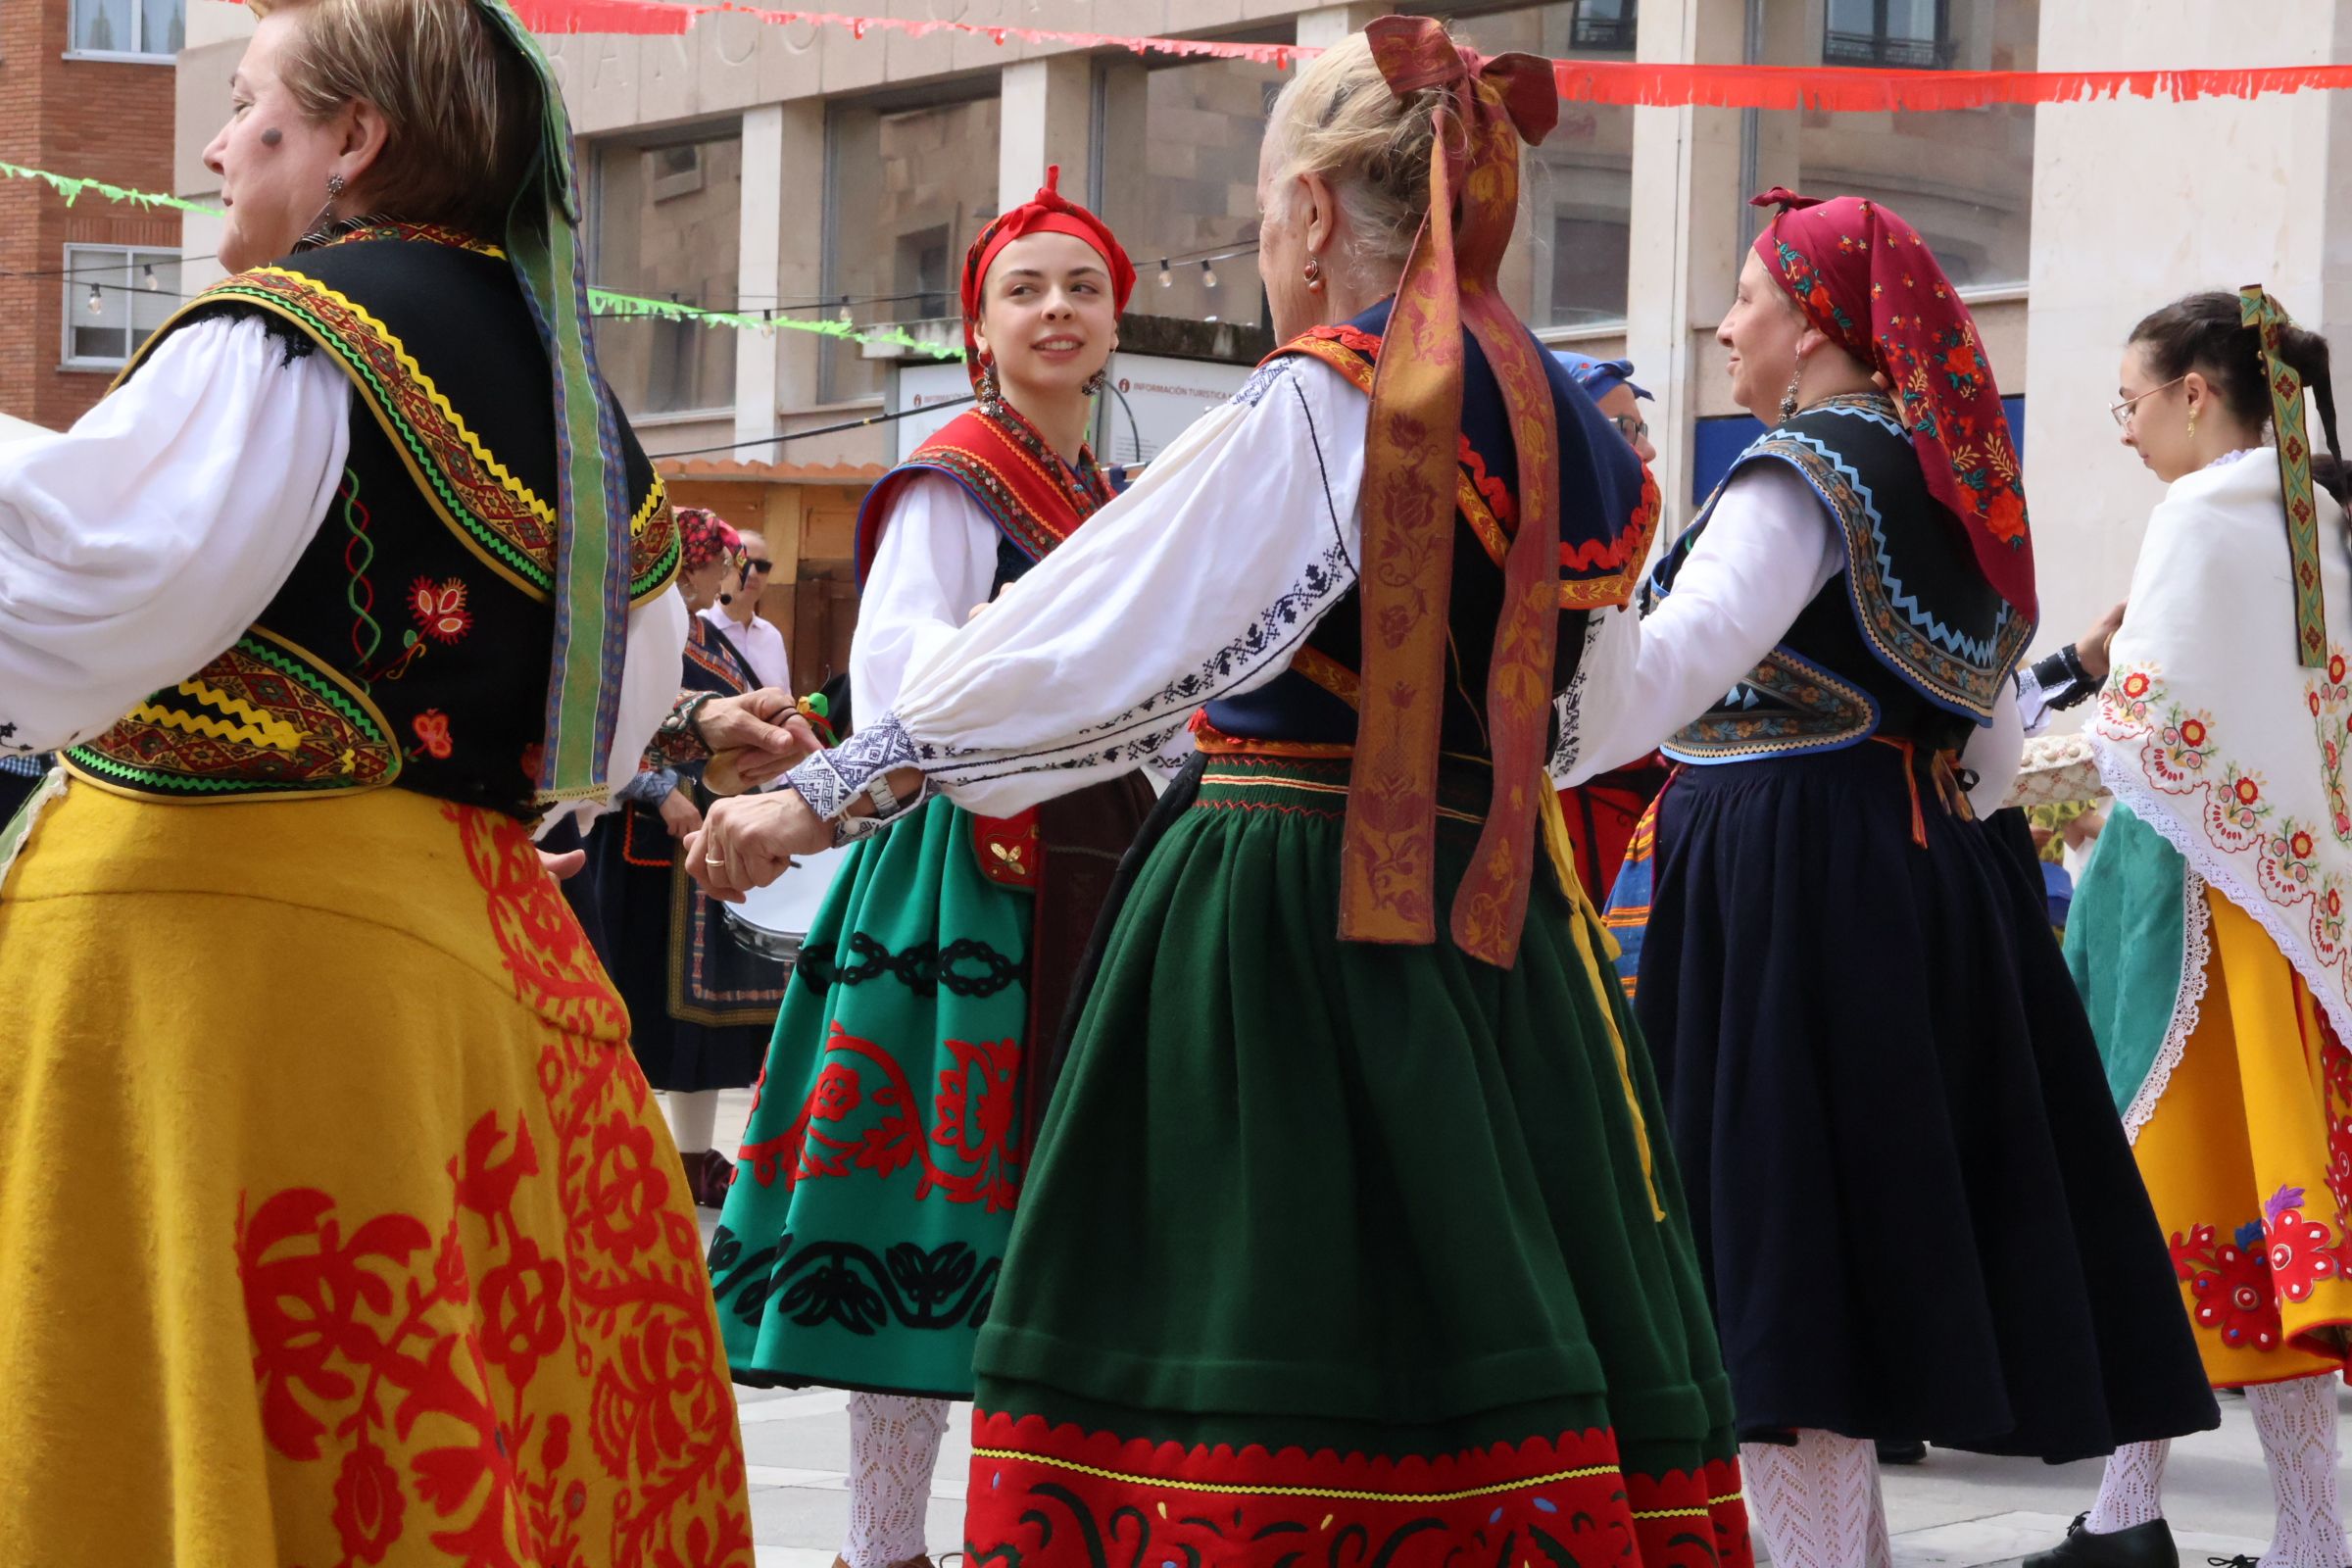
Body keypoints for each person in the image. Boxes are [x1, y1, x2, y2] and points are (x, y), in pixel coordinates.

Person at [694, 21, 1752, 1567]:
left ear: (1317, 214)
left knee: (1265, 1323)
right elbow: (1591, 716)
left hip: (1291, 911)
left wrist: (833, 789)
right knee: (1485, 1299)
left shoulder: (1337, 393)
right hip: (1510, 936)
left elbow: (1098, 630)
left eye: (1265, 212)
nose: (1265, 245)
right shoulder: (1567, 418)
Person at [0, 0, 799, 1556]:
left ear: (355, 140)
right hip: (482, 990)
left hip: (234, 1010)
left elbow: (65, 594)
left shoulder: (295, 335)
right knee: (426, 1448)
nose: (220, 148)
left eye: (250, 108)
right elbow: (597, 747)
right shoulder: (590, 415)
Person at [1570, 189, 2217, 1567]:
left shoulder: (1799, 472)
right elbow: (1988, 749)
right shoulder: (1942, 485)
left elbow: (1669, 672)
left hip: (1790, 879)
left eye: (1747, 297)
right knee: (1833, 1279)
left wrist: (1507, 726)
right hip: (1916, 875)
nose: (1728, 324)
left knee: (1780, 1278)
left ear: (1813, 329)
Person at [706, 167, 1159, 1568]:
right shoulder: (955, 477)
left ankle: (1033, 1531)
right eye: (1027, 289)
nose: (1058, 310)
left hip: (1104, 866)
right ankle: (881, 1546)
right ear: (979, 329)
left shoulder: (1112, 492)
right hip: (974, 877)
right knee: (928, 1223)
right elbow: (908, 678)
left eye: (1083, 286)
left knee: (1060, 1233)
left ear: (1118, 320)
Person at [2035, 293, 2352, 1568]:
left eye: (2130, 401)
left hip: (2195, 920)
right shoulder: (2303, 516)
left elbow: (2150, 732)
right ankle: (2161, 1514)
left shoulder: (2207, 516)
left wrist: (1993, 774)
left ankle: (2275, 1526)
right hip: (2265, 909)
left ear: (2197, 394)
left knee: (2164, 1199)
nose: (2124, 431)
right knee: (2224, 1214)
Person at [564, 506, 791, 1209]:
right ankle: (616, 1159)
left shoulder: (704, 636)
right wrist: (662, 788)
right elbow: (602, 719)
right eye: (727, 561)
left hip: (690, 853)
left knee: (697, 1032)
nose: (733, 574)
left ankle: (686, 1162)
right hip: (627, 847)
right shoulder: (641, 620)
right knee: (616, 997)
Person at [1551, 349, 1673, 906]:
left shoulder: (1616, 565)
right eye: (1625, 428)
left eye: (1643, 429)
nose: (1646, 448)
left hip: (1608, 841)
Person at [707, 524, 794, 694]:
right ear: (721, 567)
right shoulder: (694, 629)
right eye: (742, 562)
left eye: (761, 566)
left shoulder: (771, 636)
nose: (752, 573)